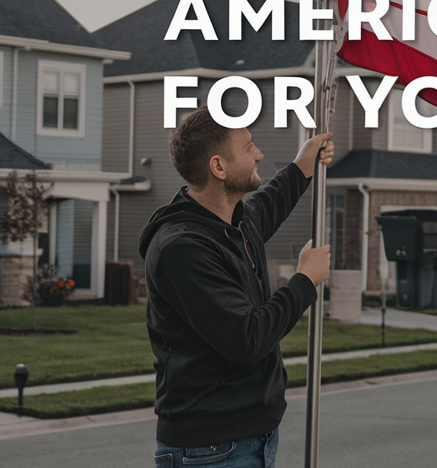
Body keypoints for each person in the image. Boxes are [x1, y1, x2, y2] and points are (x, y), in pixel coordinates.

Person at [139, 106, 334, 468]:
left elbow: (270, 202)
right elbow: (247, 339)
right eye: (249, 147)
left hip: (251, 437)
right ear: (219, 167)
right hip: (210, 448)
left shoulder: (235, 222)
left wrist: (303, 163)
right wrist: (305, 281)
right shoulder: (181, 248)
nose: (259, 153)